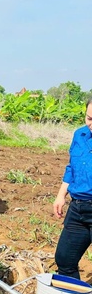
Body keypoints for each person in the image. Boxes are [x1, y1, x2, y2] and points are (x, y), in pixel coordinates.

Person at [53, 98, 92, 279]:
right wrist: (61, 195)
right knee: (65, 260)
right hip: (78, 208)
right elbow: (72, 167)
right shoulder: (80, 135)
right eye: (89, 118)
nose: (91, 125)